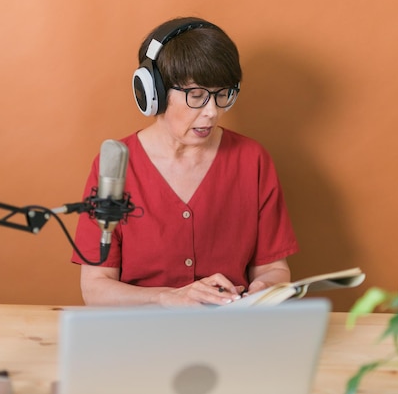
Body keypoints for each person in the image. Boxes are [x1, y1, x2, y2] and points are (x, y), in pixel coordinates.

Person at [71, 16, 299, 307]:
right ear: (155, 93)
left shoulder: (253, 159)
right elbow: (95, 289)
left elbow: (275, 269)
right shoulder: (116, 165)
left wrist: (265, 288)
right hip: (142, 336)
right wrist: (167, 297)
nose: (212, 112)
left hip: (228, 334)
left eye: (222, 95)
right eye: (197, 95)